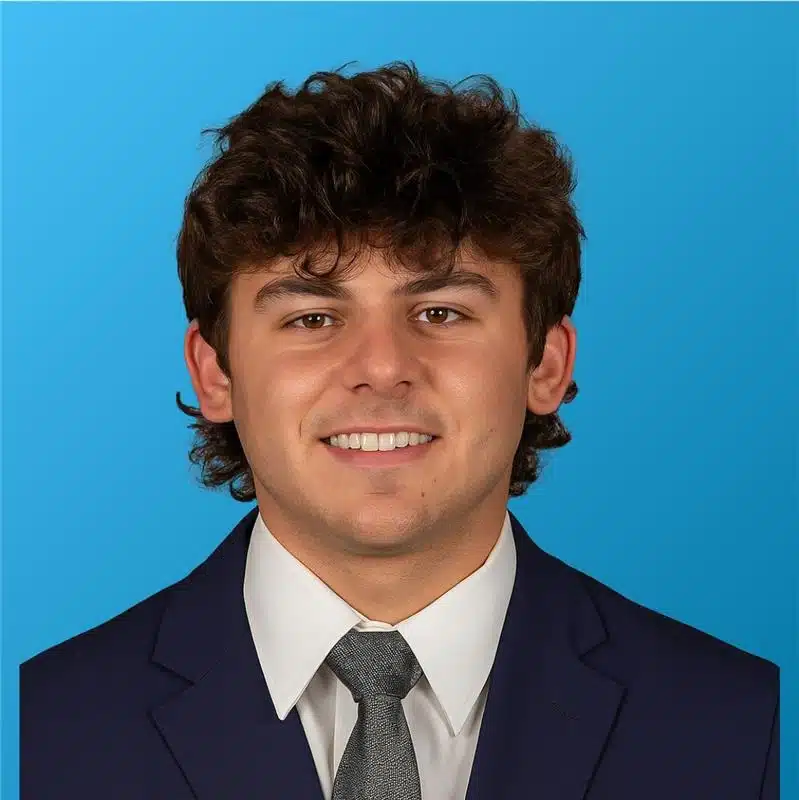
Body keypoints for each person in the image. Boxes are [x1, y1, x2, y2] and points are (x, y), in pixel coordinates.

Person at [20, 61, 778, 799]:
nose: (382, 369)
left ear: (544, 363)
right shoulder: (38, 732)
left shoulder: (747, 730)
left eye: (440, 312)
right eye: (312, 318)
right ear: (215, 372)